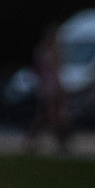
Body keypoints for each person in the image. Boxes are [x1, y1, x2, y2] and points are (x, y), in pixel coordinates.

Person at [31, 25, 69, 154]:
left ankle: (60, 144)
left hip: (53, 87)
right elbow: (42, 71)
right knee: (47, 117)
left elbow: (57, 71)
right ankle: (35, 142)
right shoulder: (43, 51)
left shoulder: (55, 51)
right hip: (47, 89)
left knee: (55, 117)